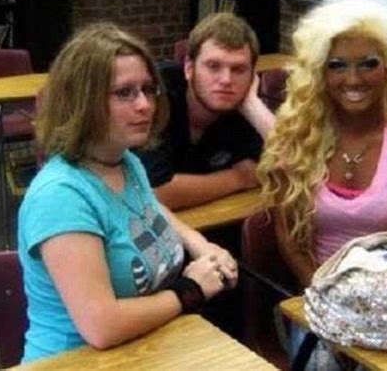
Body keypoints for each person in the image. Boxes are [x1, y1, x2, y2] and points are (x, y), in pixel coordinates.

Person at [18, 23, 238, 363]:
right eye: (125, 93)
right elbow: (101, 326)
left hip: (145, 350)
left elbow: (147, 210)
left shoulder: (125, 162)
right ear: (82, 101)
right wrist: (190, 290)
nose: (145, 105)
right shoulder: (60, 196)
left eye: (148, 90)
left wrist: (199, 242)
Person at [257, 0, 387, 289]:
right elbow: (292, 246)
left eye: (368, 64)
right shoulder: (296, 139)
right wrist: (327, 299)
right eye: (337, 66)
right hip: (319, 296)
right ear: (320, 73)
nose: (353, 79)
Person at [137, 13, 274, 210]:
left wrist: (253, 104)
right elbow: (155, 191)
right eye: (213, 66)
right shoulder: (154, 96)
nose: (226, 79)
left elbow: (299, 167)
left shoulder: (245, 108)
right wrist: (239, 178)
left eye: (238, 69)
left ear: (253, 76)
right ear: (189, 69)